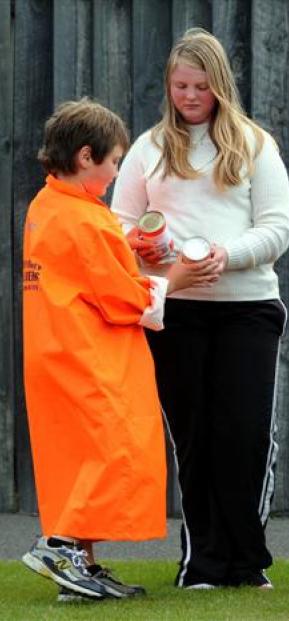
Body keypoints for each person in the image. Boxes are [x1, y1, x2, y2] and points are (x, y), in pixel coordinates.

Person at [111, 28, 289, 589]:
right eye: (180, 85)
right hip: (176, 312)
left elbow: (277, 229)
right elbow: (118, 226)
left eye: (200, 86)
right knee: (193, 437)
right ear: (168, 85)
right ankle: (201, 564)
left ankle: (247, 562)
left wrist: (226, 255)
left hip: (248, 309)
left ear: (220, 85)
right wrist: (146, 252)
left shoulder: (255, 145)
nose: (189, 96)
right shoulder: (148, 148)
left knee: (244, 435)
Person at [21, 99, 217, 602]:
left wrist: (126, 242)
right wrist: (175, 277)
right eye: (112, 162)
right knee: (114, 449)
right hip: (90, 356)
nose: (114, 174)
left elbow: (87, 263)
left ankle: (79, 567)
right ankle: (60, 545)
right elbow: (124, 299)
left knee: (77, 455)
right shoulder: (85, 220)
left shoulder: (50, 206)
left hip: (56, 351)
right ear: (86, 156)